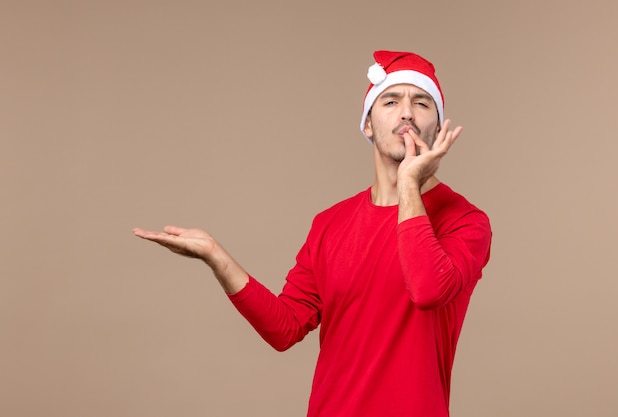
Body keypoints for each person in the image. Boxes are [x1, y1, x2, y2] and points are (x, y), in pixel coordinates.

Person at [133, 50, 492, 417]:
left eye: (421, 102)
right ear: (367, 124)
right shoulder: (330, 224)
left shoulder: (465, 220)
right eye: (390, 100)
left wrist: (409, 184)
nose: (406, 112)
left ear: (438, 125)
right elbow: (284, 328)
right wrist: (215, 256)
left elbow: (428, 289)